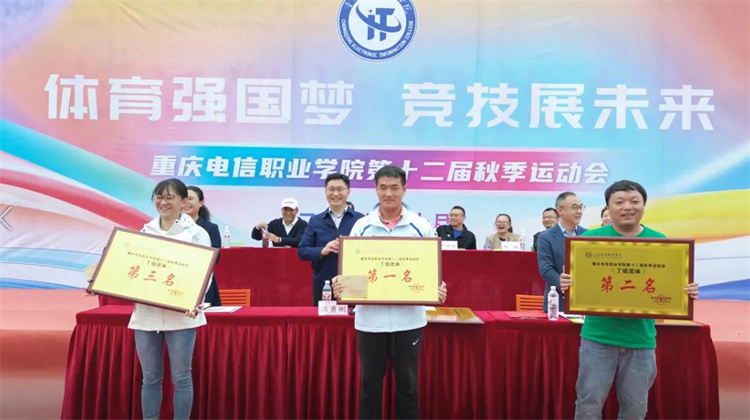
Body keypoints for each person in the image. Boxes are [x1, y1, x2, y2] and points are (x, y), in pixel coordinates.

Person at [559, 180, 699, 419]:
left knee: (635, 408)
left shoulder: (661, 242)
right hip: (598, 338)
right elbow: (579, 283)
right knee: (588, 403)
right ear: (608, 207)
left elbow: (671, 285)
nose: (627, 207)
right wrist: (567, 284)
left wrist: (685, 291)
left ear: (643, 206)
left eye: (634, 201)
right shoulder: (588, 241)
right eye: (619, 202)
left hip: (640, 340)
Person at [332, 165, 447, 419]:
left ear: (405, 189)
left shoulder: (421, 226)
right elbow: (351, 271)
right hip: (370, 322)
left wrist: (436, 288)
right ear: (375, 190)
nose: (388, 193)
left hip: (409, 322)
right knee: (369, 388)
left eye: (395, 188)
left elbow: (430, 271)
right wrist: (342, 285)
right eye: (383, 187)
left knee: (408, 387)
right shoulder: (362, 226)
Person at [130, 178, 210, 420]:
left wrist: (195, 301)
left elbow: (205, 273)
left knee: (181, 377)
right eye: (159, 197)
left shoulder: (196, 234)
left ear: (183, 201)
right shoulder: (144, 232)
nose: (163, 202)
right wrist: (101, 283)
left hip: (182, 315)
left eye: (169, 197)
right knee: (150, 378)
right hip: (147, 315)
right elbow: (130, 269)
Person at [298, 173, 364, 306]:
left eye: (340, 189)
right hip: (324, 284)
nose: (335, 193)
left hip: (353, 284)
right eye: (331, 189)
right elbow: (302, 251)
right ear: (325, 192)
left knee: (351, 319)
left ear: (348, 192)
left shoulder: (360, 220)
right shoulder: (316, 220)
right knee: (323, 319)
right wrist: (323, 250)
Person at [537, 192, 587, 312]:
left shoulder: (587, 234)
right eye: (575, 207)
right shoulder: (546, 237)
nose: (579, 211)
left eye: (581, 207)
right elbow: (546, 269)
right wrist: (561, 281)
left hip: (584, 301)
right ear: (560, 210)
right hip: (557, 301)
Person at [183, 186, 222, 307]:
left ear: (201, 203)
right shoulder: (173, 227)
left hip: (203, 281)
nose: (186, 202)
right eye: (183, 199)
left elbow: (215, 257)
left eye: (190, 199)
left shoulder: (210, 228)